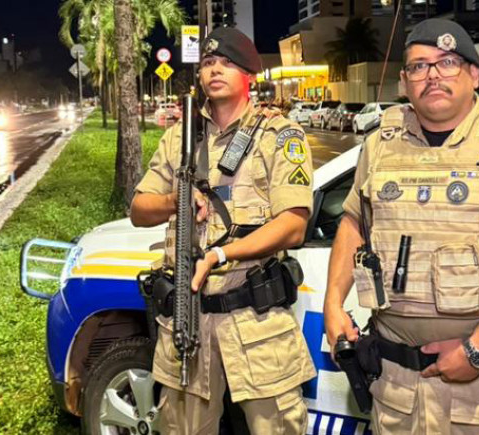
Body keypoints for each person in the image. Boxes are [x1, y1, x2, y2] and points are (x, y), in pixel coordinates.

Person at [324, 18, 479, 433]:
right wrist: (333, 302)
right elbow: (354, 222)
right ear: (405, 82)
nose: (433, 75)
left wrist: (477, 349)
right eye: (419, 66)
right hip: (394, 388)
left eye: (448, 63)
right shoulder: (381, 144)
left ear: (474, 75)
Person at [130, 27, 316, 434]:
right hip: (189, 322)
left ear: (249, 74)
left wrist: (221, 254)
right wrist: (177, 199)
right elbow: (139, 210)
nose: (215, 70)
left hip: (256, 324)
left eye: (227, 63)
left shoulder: (279, 135)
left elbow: (293, 225)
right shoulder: (180, 139)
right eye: (209, 63)